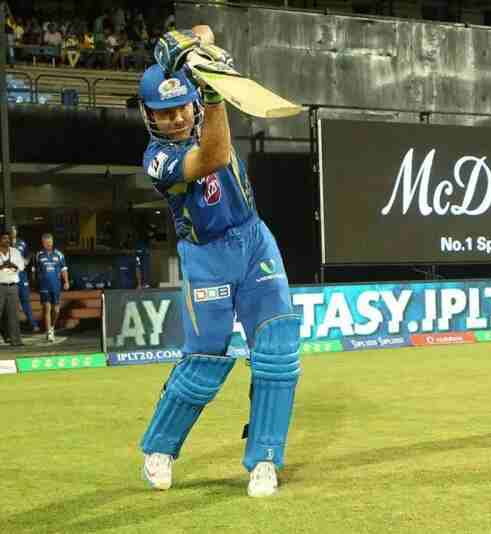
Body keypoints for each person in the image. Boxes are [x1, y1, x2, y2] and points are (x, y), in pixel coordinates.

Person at [137, 26, 300, 498]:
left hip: (254, 242)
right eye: (163, 112)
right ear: (149, 115)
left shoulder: (202, 110)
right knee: (206, 355)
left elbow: (204, 31)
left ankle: (264, 459)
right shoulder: (157, 159)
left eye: (180, 108)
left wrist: (192, 46)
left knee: (277, 350)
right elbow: (213, 157)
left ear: (191, 104)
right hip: (206, 256)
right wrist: (212, 92)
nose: (173, 119)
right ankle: (160, 449)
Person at [34, 233, 69, 343]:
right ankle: (49, 332)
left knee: (56, 310)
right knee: (47, 308)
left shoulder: (59, 254)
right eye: (46, 242)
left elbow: (64, 269)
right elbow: (34, 271)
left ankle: (52, 327)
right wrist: (35, 283)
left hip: (56, 286)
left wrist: (66, 281)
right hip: (44, 286)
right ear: (43, 243)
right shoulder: (39, 255)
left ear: (52, 242)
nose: (48, 244)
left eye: (50, 242)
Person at [10, 225, 39, 332]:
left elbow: (29, 254)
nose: (13, 232)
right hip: (9, 276)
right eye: (11, 230)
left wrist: (27, 260)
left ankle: (33, 324)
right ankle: (11, 327)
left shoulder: (22, 243)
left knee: (25, 300)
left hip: (22, 275)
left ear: (16, 231)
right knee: (10, 302)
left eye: (14, 230)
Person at [0, 228, 25, 347]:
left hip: (13, 286)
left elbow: (21, 266)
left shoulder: (15, 252)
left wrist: (13, 265)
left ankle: (16, 340)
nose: (7, 240)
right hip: (0, 286)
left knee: (13, 314)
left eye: (8, 238)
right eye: (4, 238)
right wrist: (2, 266)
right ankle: (4, 336)